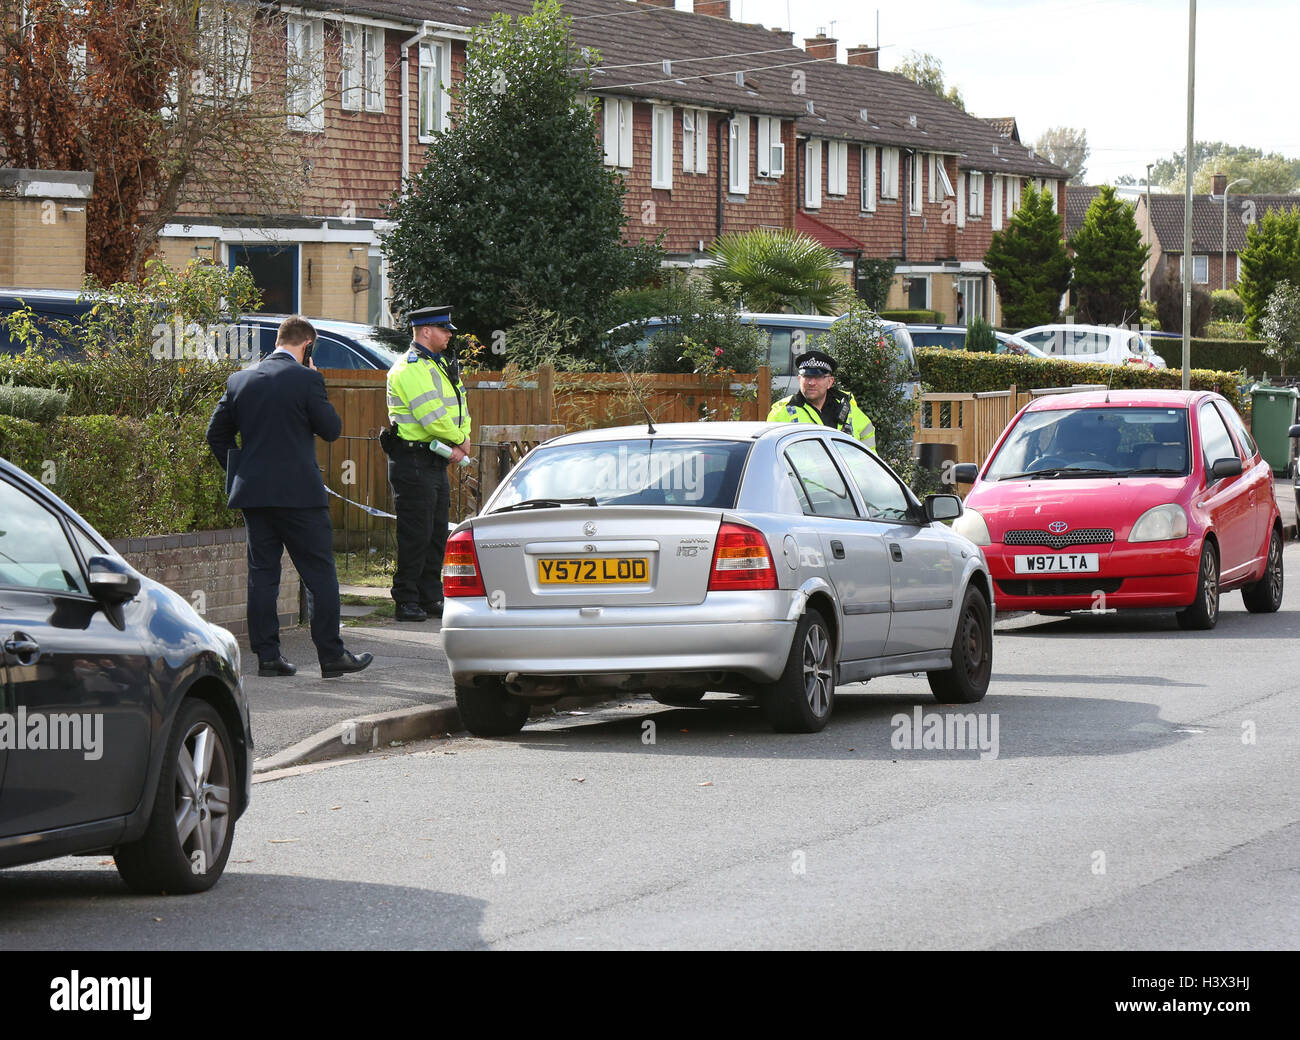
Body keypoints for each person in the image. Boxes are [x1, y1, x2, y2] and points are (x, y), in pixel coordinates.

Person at [206, 315, 373, 679]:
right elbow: (331, 430)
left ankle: (268, 657)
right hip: (300, 497)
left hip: (254, 496)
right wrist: (317, 380)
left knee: (262, 576)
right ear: (307, 344)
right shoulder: (308, 379)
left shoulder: (239, 380)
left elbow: (215, 436)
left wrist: (240, 473)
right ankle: (331, 655)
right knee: (319, 574)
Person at [384, 305, 472, 622]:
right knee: (415, 533)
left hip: (434, 458)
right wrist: (460, 440)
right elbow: (431, 415)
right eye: (444, 329)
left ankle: (429, 595)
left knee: (436, 533)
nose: (449, 335)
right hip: (413, 459)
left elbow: (460, 406)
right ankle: (406, 598)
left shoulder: (438, 366)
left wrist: (463, 435)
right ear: (425, 331)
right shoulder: (409, 369)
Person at [768, 349, 876, 452]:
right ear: (799, 379)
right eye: (807, 376)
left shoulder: (847, 407)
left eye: (818, 377)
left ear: (830, 382)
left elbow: (868, 441)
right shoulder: (781, 412)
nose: (811, 383)